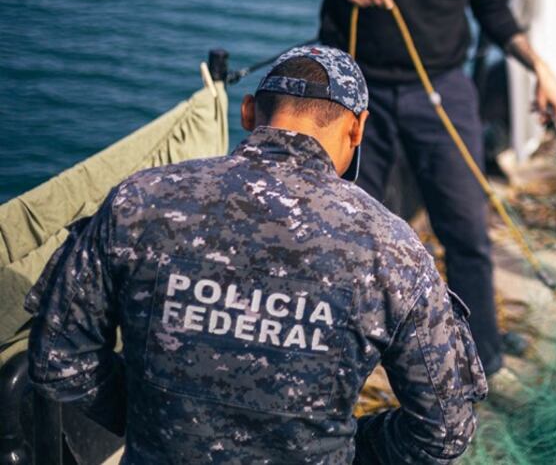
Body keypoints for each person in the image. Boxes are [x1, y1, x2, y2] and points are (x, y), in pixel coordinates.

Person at [25, 46, 487, 463]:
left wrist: (151, 418)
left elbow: (58, 360)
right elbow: (445, 432)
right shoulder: (392, 249)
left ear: (248, 111)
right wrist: (346, 447)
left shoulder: (140, 202)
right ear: (358, 127)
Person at [266, 0, 556, 391]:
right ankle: (333, 365)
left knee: (467, 231)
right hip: (355, 91)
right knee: (343, 234)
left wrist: (541, 69)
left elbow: (492, 7)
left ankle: (482, 361)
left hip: (443, 89)